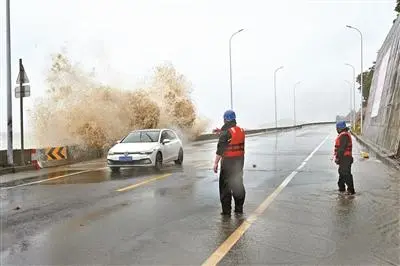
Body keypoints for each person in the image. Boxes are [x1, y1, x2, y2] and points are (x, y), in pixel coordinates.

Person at [213, 110, 246, 215]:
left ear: (225, 119)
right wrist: (221, 131)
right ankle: (239, 208)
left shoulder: (226, 133)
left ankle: (226, 211)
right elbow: (232, 136)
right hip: (239, 162)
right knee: (237, 183)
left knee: (225, 186)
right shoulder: (241, 130)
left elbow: (220, 150)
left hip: (228, 163)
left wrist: (215, 163)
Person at [334, 121, 355, 195]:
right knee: (342, 173)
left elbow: (341, 149)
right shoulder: (344, 135)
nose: (336, 129)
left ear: (340, 128)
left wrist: (337, 158)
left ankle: (351, 191)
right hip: (345, 158)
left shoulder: (344, 135)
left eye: (337, 128)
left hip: (345, 158)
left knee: (346, 174)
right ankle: (341, 189)